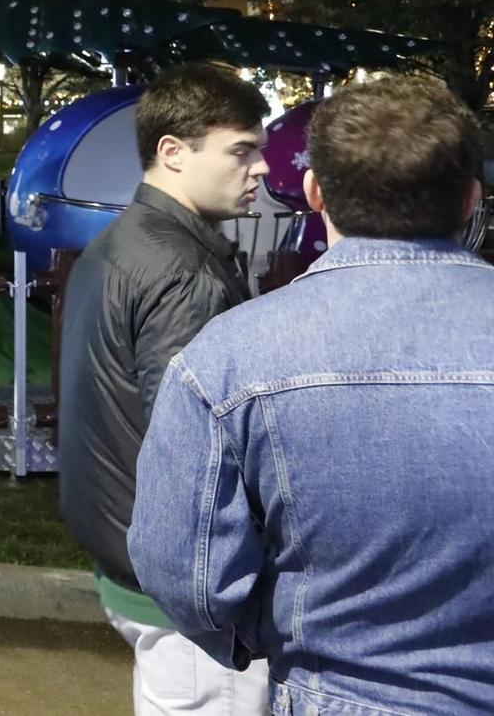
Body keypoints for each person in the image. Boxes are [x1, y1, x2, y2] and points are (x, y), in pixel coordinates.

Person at [130, 79, 491, 715]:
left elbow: (185, 573)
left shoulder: (231, 356)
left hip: (336, 693)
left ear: (315, 191)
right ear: (471, 199)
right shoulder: (228, 358)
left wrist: (278, 628)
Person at [57, 63, 271, 714]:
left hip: (132, 561)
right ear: (172, 152)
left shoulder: (121, 243)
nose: (260, 168)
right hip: (190, 592)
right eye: (241, 150)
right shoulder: (182, 270)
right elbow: (193, 448)